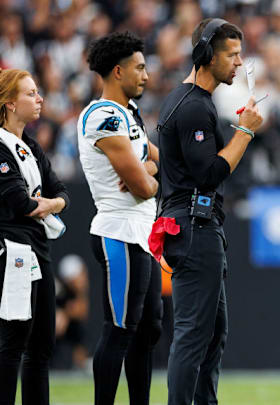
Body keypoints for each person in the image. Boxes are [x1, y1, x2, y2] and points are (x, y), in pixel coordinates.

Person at [157, 18, 262, 405]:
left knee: (213, 331)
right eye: (231, 55)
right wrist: (245, 132)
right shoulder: (194, 107)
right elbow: (211, 172)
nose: (238, 63)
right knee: (193, 333)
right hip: (194, 226)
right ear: (206, 55)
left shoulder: (190, 102)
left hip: (195, 225)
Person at [77, 32, 163, 405]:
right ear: (117, 71)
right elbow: (144, 187)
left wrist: (148, 173)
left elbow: (158, 164)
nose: (146, 75)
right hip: (119, 232)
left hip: (142, 233)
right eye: (140, 67)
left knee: (148, 330)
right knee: (121, 329)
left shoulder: (128, 113)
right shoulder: (103, 116)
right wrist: (149, 177)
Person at [0, 68, 69, 405]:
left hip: (39, 250)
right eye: (30, 93)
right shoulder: (1, 146)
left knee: (42, 344)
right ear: (10, 103)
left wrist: (51, 203)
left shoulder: (29, 145)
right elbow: (20, 203)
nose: (39, 98)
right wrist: (46, 204)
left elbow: (61, 194)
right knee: (13, 341)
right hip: (13, 251)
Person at [54, 254, 90, 371]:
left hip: (69, 329)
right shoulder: (59, 290)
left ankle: (81, 365)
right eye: (81, 274)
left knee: (77, 329)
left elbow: (81, 312)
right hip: (48, 331)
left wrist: (65, 314)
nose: (84, 277)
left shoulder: (76, 293)